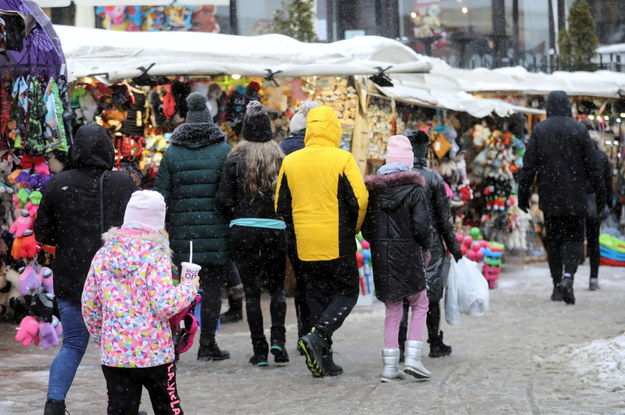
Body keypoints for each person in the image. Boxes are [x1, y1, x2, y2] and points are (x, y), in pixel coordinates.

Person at [34, 124, 136, 415]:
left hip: (74, 277)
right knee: (121, 347)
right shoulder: (123, 183)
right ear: (108, 147)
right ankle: (122, 407)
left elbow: (43, 235)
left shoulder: (57, 183)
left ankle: (54, 404)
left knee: (74, 343)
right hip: (116, 280)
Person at [82, 190, 199, 415]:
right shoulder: (156, 255)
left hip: (116, 354)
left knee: (120, 410)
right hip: (156, 353)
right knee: (168, 408)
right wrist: (188, 288)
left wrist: (103, 336)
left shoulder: (103, 254)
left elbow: (89, 304)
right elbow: (164, 304)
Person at [275, 105, 368, 377]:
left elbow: (280, 203)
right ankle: (320, 336)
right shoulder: (342, 159)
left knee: (315, 296)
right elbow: (359, 200)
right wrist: (355, 227)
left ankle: (323, 359)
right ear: (334, 129)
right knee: (347, 292)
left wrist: (296, 226)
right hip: (337, 238)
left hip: (304, 242)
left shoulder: (291, 161)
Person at [154, 91, 232, 361]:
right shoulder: (223, 150)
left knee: (183, 289)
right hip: (217, 232)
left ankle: (176, 342)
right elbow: (231, 192)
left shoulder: (173, 153)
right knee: (212, 289)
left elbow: (160, 196)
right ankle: (208, 344)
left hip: (183, 235)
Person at [216, 101, 288, 366]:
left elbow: (222, 199)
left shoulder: (235, 158)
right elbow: (287, 198)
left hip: (243, 228)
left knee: (252, 292)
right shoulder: (280, 157)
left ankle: (259, 351)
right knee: (277, 288)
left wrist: (237, 211)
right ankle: (279, 340)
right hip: (275, 229)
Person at [518, 90, 605, 305]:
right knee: (574, 238)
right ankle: (568, 278)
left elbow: (528, 166)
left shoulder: (540, 130)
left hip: (550, 195)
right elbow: (594, 167)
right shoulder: (579, 129)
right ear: (568, 106)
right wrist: (601, 195)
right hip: (576, 196)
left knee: (555, 240)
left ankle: (557, 285)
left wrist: (523, 194)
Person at [362, 135, 432, 382]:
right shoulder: (415, 190)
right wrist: (425, 246)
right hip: (409, 255)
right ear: (409, 161)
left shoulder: (374, 191)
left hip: (383, 257)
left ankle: (389, 366)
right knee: (420, 302)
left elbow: (366, 229)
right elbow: (422, 228)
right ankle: (413, 357)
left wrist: (381, 244)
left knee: (392, 307)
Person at [398, 130, 463, 359]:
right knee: (430, 295)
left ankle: (400, 346)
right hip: (430, 245)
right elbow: (445, 220)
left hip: (402, 244)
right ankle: (434, 341)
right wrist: (455, 248)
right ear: (424, 150)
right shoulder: (433, 178)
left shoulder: (396, 177)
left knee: (404, 296)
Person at [279, 99, 319, 340]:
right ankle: (315, 331)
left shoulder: (281, 149)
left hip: (291, 222)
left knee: (299, 279)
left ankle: (303, 329)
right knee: (315, 280)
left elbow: (279, 193)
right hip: (315, 219)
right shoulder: (317, 151)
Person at [583, 124, 613, 291]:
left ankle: (568, 276)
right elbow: (607, 184)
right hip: (595, 204)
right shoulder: (601, 157)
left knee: (575, 239)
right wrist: (607, 203)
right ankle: (593, 278)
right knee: (594, 241)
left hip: (578, 204)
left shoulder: (578, 156)